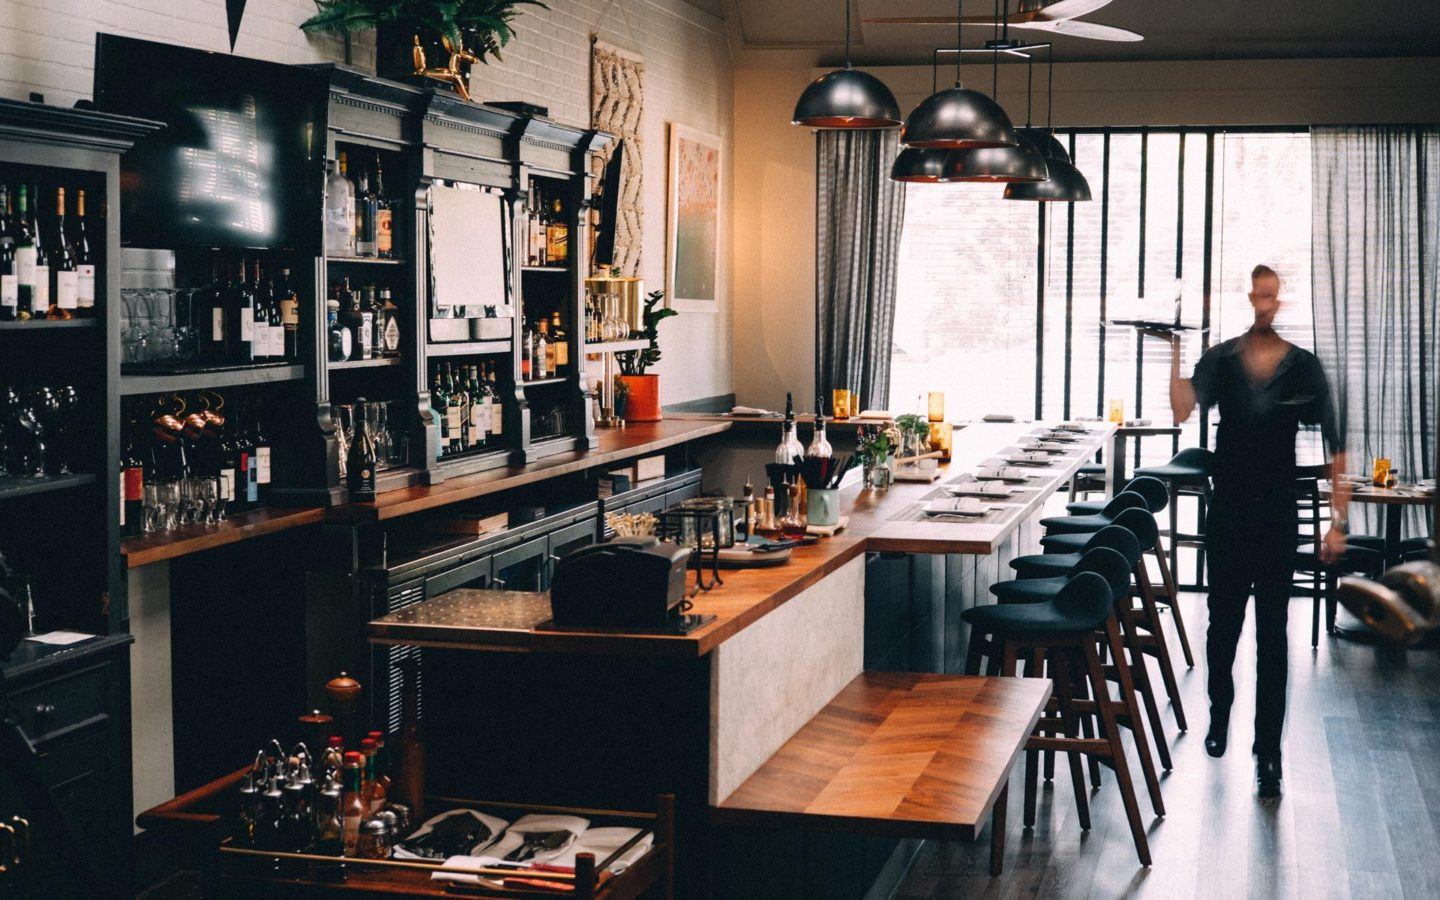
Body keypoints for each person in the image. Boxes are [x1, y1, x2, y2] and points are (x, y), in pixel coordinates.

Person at [1163, 264, 1349, 802]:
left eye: (1272, 293)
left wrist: (1337, 523)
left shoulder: (1304, 367)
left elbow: (1337, 445)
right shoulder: (1221, 358)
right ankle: (1220, 710)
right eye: (1257, 292)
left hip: (1276, 520)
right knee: (1222, 628)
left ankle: (1269, 754)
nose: (1264, 300)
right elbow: (1181, 409)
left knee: (1273, 636)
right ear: (1250, 297)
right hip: (1228, 516)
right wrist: (1177, 347)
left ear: (1278, 299)